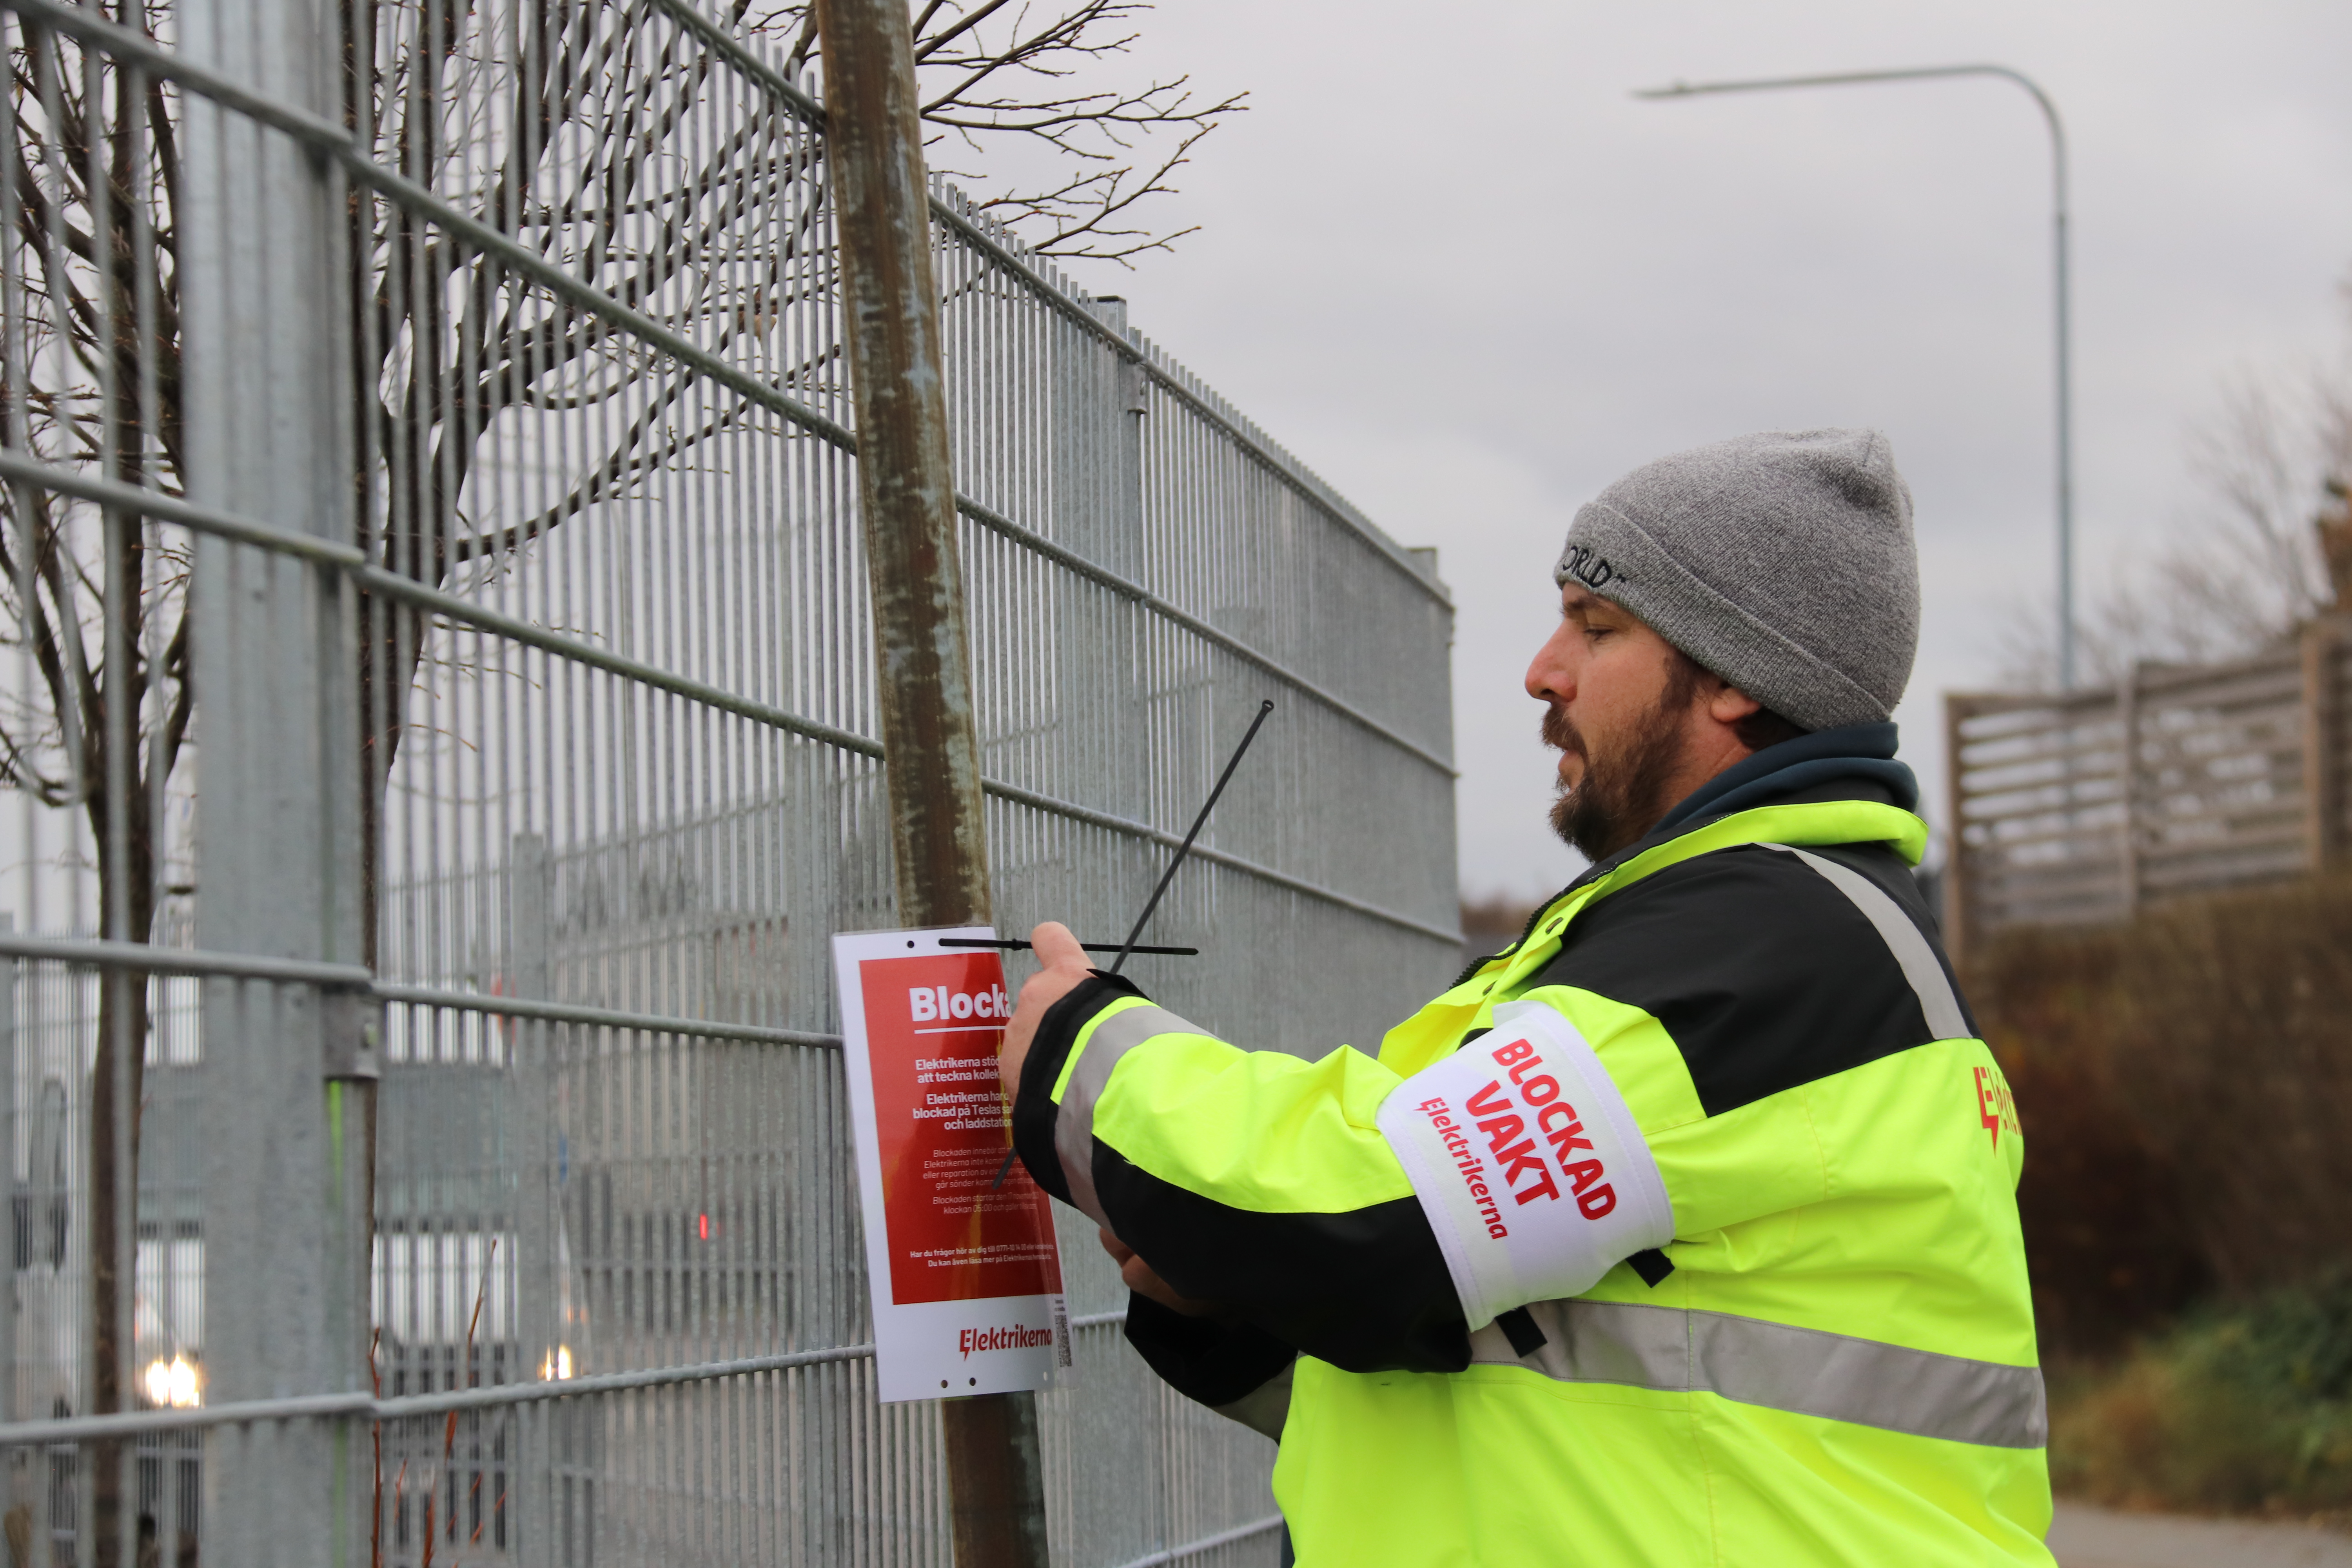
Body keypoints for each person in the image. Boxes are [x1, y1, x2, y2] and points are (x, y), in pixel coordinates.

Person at [999, 429, 2053, 1567]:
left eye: (1597, 628)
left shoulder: (1761, 956)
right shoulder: (1732, 939)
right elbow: (1508, 1373)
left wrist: (1076, 1052)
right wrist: (1231, 1309)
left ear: (1736, 678)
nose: (1544, 671)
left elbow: (1374, 1219)